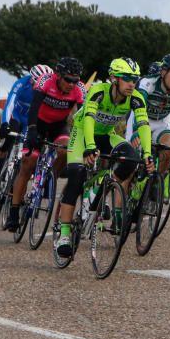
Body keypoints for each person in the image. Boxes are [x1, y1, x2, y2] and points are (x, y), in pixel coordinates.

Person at [55, 58, 153, 257]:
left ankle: (102, 186)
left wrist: (148, 155)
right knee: (76, 175)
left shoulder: (136, 98)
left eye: (134, 79)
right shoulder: (99, 91)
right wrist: (90, 147)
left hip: (107, 135)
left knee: (132, 160)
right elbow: (89, 119)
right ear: (114, 78)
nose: (131, 83)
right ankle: (64, 234)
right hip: (83, 133)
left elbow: (143, 126)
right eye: (126, 79)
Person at [2, 58, 86, 231]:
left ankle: (51, 176)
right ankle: (14, 210)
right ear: (58, 76)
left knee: (64, 149)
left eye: (75, 81)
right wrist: (32, 129)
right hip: (38, 123)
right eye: (68, 80)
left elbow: (83, 117)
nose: (72, 84)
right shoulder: (45, 81)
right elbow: (34, 107)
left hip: (58, 126)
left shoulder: (79, 90)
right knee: (27, 164)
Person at [0, 64, 52, 188]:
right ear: (32, 79)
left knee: (27, 150)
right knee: (10, 137)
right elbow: (10, 104)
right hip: (16, 115)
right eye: (38, 83)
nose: (41, 86)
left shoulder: (47, 90)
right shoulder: (22, 84)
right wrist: (4, 124)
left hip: (30, 120)